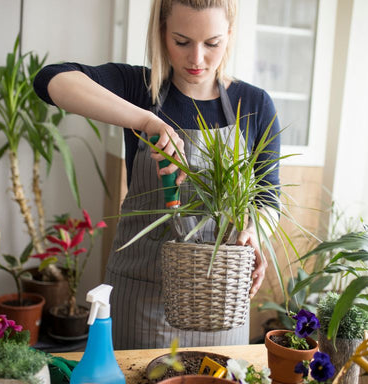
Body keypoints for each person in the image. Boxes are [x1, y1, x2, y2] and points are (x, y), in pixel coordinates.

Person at [33, 0, 281, 349]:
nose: (197, 59)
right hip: (142, 296)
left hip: (221, 301)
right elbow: (50, 81)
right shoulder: (138, 88)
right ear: (161, 31)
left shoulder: (254, 104)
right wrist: (145, 119)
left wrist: (254, 229)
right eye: (182, 41)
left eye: (212, 43)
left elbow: (269, 197)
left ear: (230, 34)